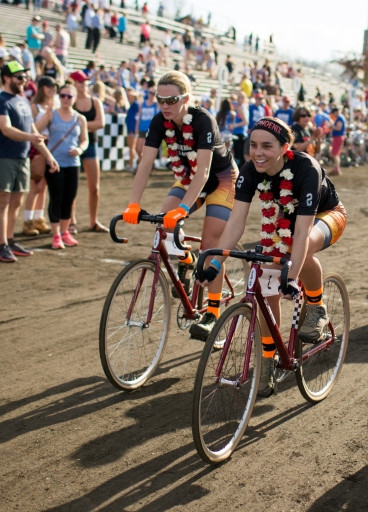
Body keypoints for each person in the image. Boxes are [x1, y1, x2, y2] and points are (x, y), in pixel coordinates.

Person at [197, 117, 346, 397]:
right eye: (253, 145)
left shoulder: (305, 168)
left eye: (267, 146)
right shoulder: (250, 170)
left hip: (326, 216)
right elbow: (236, 222)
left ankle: (315, 306)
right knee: (266, 282)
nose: (258, 152)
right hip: (284, 220)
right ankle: (269, 357)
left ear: (284, 147)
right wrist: (215, 263)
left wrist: (290, 273)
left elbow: (302, 232)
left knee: (300, 249)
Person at [122, 71, 239, 340]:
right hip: (188, 178)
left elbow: (205, 172)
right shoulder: (158, 121)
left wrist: (184, 209)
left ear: (185, 98)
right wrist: (133, 203)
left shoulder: (203, 120)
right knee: (165, 221)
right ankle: (187, 259)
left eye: (171, 99)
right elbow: (145, 164)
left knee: (211, 243)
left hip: (220, 179)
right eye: (159, 98)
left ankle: (212, 313)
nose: (164, 105)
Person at [0, 61, 58, 263]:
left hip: (22, 157)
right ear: (7, 78)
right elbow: (5, 129)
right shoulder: (2, 100)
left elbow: (34, 132)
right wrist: (31, 138)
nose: (23, 80)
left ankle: (9, 240)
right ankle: (2, 245)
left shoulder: (23, 99)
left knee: (16, 202)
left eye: (25, 77)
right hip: (4, 157)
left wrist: (48, 155)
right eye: (19, 77)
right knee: (3, 202)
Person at [37, 81, 88, 249]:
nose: (65, 99)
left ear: (74, 98)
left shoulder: (80, 118)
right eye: (63, 96)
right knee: (56, 198)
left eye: (69, 96)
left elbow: (85, 140)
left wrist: (80, 149)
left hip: (73, 163)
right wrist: (46, 115)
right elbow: (35, 132)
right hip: (54, 163)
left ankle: (65, 232)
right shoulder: (52, 114)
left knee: (69, 198)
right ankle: (56, 235)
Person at [70, 69, 106, 233]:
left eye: (85, 81)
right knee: (72, 187)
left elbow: (101, 123)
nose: (84, 84)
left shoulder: (95, 101)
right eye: (80, 81)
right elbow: (96, 123)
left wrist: (81, 124)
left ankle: (93, 221)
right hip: (73, 146)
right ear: (74, 83)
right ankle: (71, 221)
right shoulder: (69, 100)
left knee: (95, 188)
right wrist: (88, 124)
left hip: (90, 145)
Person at [23, 75, 59, 237]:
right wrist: (47, 115)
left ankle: (39, 218)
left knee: (43, 187)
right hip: (37, 147)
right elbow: (34, 129)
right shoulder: (34, 107)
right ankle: (27, 221)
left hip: (51, 147)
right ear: (42, 87)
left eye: (54, 86)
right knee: (35, 186)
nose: (52, 89)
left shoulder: (55, 104)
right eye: (49, 86)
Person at [135, 80, 158, 159]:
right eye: (150, 92)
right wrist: (136, 128)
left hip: (151, 130)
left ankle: (146, 167)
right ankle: (140, 166)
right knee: (138, 149)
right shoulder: (143, 104)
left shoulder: (156, 104)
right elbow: (139, 117)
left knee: (147, 150)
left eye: (153, 93)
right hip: (142, 128)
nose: (151, 95)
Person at [124, 88, 139, 170]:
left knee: (132, 147)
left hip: (132, 129)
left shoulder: (135, 105)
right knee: (133, 147)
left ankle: (131, 164)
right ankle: (132, 164)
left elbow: (136, 118)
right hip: (132, 128)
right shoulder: (134, 105)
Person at [328, 107, 345, 176]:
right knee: (336, 154)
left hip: (338, 137)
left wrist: (331, 126)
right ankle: (336, 168)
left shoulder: (340, 118)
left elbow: (338, 128)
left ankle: (337, 169)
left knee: (335, 154)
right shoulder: (340, 117)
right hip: (338, 137)